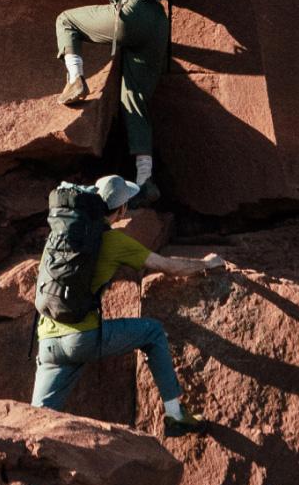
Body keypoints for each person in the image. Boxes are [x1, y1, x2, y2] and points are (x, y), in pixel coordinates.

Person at [0, 0, 170, 206]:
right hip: (156, 22)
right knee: (134, 100)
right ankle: (145, 181)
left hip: (129, 14)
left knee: (66, 20)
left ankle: (75, 79)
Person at [31, 174, 225, 434]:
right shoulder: (114, 241)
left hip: (47, 340)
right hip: (83, 339)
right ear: (121, 210)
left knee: (36, 420)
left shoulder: (61, 236)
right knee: (153, 331)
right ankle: (175, 415)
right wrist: (206, 264)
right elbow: (168, 266)